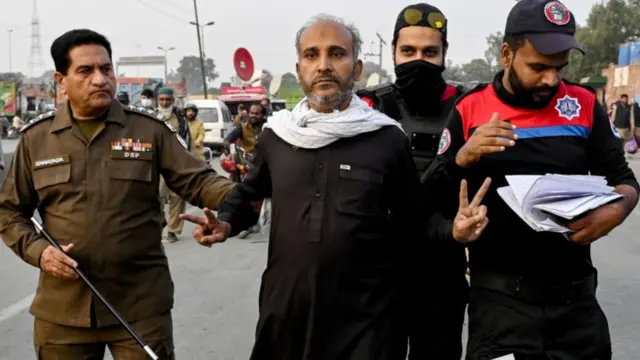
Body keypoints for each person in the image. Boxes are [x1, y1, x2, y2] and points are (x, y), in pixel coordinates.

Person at [181, 14, 489, 360]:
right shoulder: (277, 136)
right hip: (287, 310)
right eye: (312, 55)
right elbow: (248, 195)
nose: (324, 65)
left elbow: (416, 218)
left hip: (365, 319)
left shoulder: (386, 138)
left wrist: (454, 232)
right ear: (299, 70)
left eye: (337, 54)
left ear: (356, 69)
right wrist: (224, 223)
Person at [0, 28, 236, 360]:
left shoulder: (148, 131)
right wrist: (40, 253)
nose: (100, 79)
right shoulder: (37, 139)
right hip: (63, 310)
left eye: (106, 69)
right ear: (61, 80)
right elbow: (9, 212)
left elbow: (200, 181)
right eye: (85, 71)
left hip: (140, 307)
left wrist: (237, 200)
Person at [424, 1, 640, 359]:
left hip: (576, 306)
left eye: (559, 68)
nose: (551, 80)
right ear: (507, 54)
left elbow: (623, 178)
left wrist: (617, 209)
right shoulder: (470, 109)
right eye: (538, 67)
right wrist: (463, 158)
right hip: (500, 307)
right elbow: (432, 198)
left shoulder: (584, 105)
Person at [357, 4, 467, 358]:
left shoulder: (468, 107)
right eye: (408, 51)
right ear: (393, 52)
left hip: (443, 269)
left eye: (429, 52)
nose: (418, 60)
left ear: (444, 53)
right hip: (379, 272)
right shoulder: (367, 108)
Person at [156, 87, 191, 243]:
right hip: (155, 165)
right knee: (156, 199)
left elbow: (186, 140)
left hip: (177, 164)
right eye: (162, 100)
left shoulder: (181, 117)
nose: (165, 103)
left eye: (167, 100)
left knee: (178, 198)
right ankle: (156, 229)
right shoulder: (149, 116)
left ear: (172, 100)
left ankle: (172, 231)